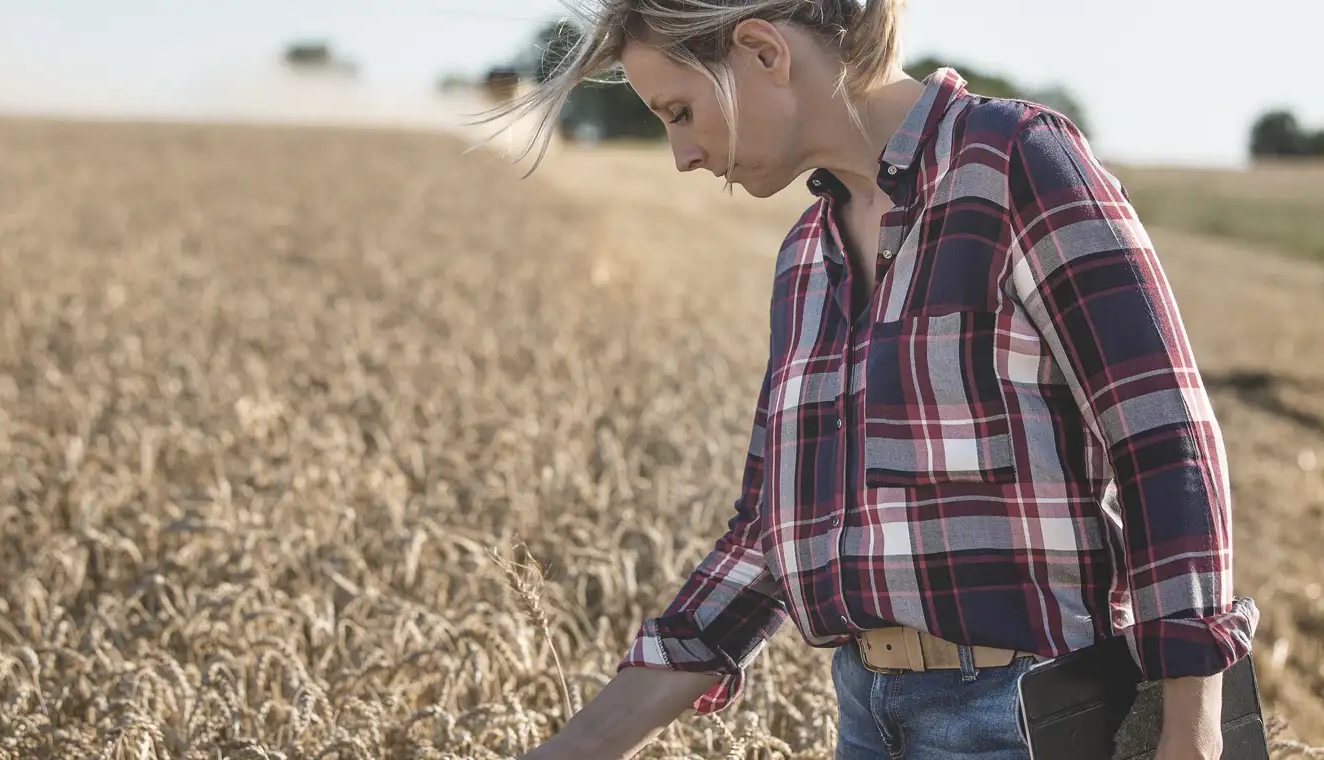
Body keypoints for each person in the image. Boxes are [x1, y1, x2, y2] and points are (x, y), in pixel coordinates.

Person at [477, 1, 1260, 758]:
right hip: (865, 716)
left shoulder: (1011, 161)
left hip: (1026, 720)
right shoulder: (804, 260)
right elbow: (764, 539)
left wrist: (1192, 727)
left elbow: (1161, 435)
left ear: (762, 51)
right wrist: (577, 746)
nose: (684, 156)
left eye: (678, 112)